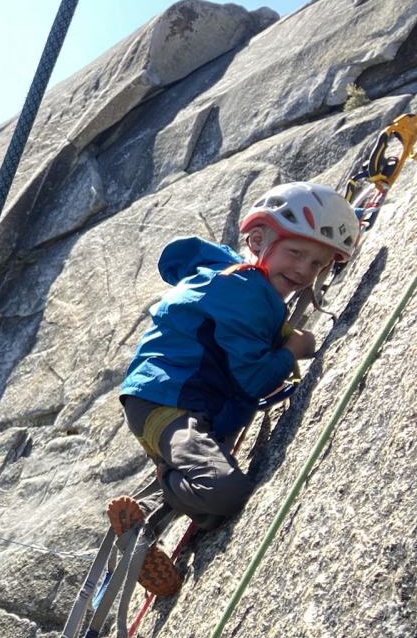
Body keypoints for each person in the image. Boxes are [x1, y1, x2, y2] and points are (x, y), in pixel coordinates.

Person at [111, 180, 359, 596]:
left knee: (208, 474)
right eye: (295, 253)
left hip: (188, 400)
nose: (303, 271)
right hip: (166, 402)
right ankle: (169, 482)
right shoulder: (241, 290)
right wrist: (291, 351)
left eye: (317, 264)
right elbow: (253, 378)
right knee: (225, 491)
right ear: (259, 240)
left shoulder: (242, 284)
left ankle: (144, 525)